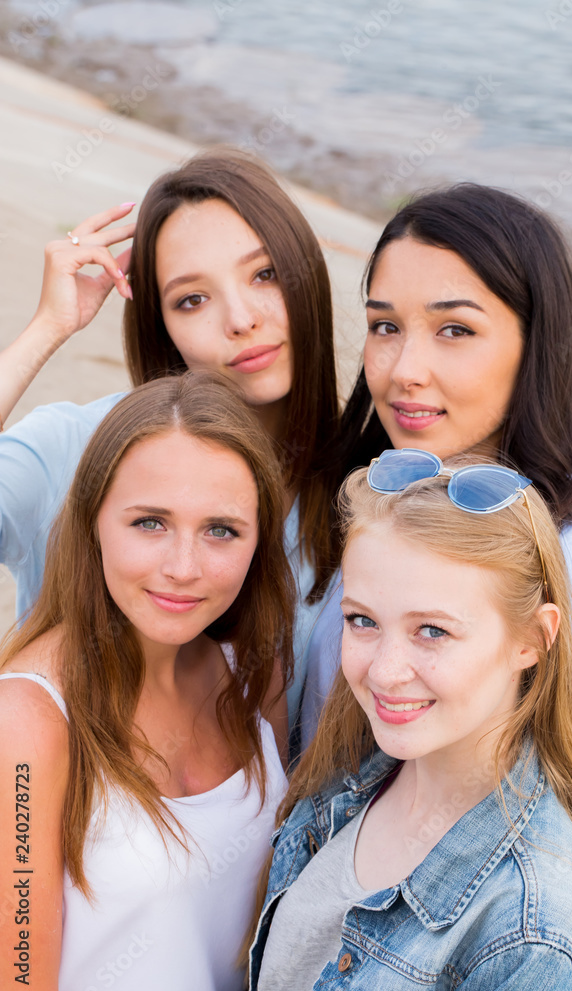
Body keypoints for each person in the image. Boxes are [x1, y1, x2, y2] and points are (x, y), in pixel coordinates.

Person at [299, 184, 572, 991]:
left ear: (535, 347)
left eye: (454, 329)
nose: (402, 369)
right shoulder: (382, 507)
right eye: (385, 325)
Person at [0, 147, 340, 737]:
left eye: (265, 274)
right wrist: (46, 330)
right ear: (163, 328)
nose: (240, 318)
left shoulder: (358, 485)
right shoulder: (77, 445)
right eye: (192, 299)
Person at [249, 454, 572, 991]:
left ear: (531, 638)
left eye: (432, 631)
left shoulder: (531, 932)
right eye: (362, 620)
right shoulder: (349, 775)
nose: (385, 672)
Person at [0, 371, 295, 991]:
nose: (182, 569)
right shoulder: (25, 725)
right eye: (150, 523)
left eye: (221, 529)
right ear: (92, 521)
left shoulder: (253, 668)